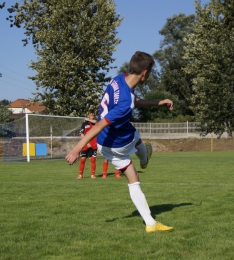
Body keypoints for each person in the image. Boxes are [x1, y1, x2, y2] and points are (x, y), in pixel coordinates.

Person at [66, 51, 173, 232]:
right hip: (121, 141)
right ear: (145, 73)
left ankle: (151, 224)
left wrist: (157, 102)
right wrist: (76, 149)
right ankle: (145, 158)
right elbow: (99, 124)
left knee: (133, 178)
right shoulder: (124, 104)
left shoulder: (118, 79)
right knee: (136, 137)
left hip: (104, 146)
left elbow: (133, 99)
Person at [77, 110, 98, 179]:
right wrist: (87, 142)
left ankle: (92, 175)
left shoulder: (96, 123)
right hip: (86, 144)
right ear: (88, 115)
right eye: (90, 115)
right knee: (83, 159)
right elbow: (81, 134)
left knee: (93, 159)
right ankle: (80, 175)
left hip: (94, 144)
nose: (92, 116)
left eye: (93, 114)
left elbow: (95, 122)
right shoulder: (84, 124)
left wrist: (88, 119)